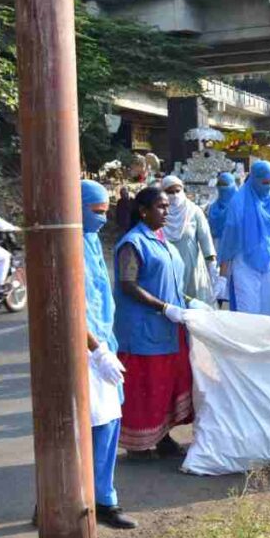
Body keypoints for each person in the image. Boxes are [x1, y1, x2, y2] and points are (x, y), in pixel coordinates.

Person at [114, 186, 193, 459]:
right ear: (143, 211)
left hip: (170, 328)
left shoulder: (162, 240)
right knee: (145, 386)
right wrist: (164, 307)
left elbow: (169, 281)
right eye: (160, 207)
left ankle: (163, 436)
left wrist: (188, 302)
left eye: (167, 207)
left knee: (168, 383)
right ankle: (138, 444)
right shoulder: (132, 243)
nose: (166, 212)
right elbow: (128, 284)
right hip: (143, 329)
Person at [79, 180, 137, 529]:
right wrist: (97, 350)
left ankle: (102, 496)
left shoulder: (88, 241)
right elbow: (71, 307)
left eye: (105, 211)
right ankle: (95, 500)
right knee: (88, 427)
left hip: (100, 343)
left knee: (107, 423)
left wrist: (105, 345)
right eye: (95, 211)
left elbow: (100, 300)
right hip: (83, 350)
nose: (102, 218)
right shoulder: (65, 245)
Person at [217, 161, 270, 316]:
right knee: (248, 316)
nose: (269, 187)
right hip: (244, 266)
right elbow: (229, 243)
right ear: (254, 180)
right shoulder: (238, 204)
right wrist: (222, 277)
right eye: (265, 183)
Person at [161, 176, 217, 305]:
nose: (175, 195)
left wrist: (212, 266)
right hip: (168, 267)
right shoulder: (160, 213)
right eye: (170, 192)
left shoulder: (194, 211)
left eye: (177, 191)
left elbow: (205, 238)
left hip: (191, 268)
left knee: (193, 308)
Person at [205, 172, 237, 244]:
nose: (222, 187)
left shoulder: (239, 208)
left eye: (225, 185)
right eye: (220, 185)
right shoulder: (212, 208)